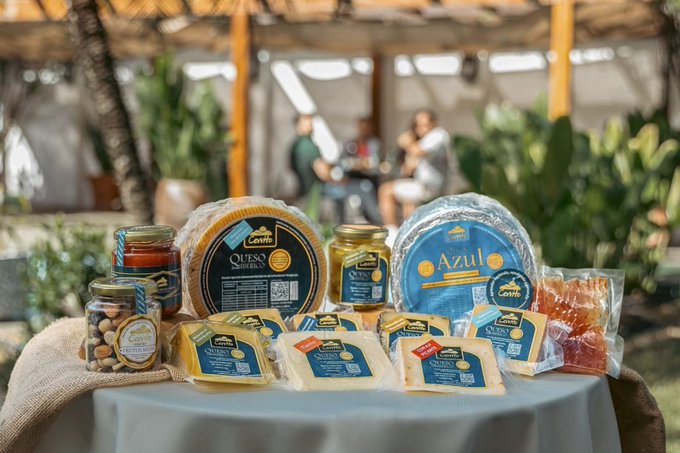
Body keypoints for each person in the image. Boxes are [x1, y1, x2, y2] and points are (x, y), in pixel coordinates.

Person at [378, 110, 449, 234]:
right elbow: (409, 169)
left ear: (433, 123)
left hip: (431, 188)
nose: (421, 128)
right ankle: (409, 234)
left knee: (385, 191)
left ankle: (391, 233)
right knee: (407, 201)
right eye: (418, 125)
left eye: (425, 124)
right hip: (423, 186)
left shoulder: (438, 134)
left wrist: (406, 142)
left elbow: (418, 151)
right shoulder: (425, 140)